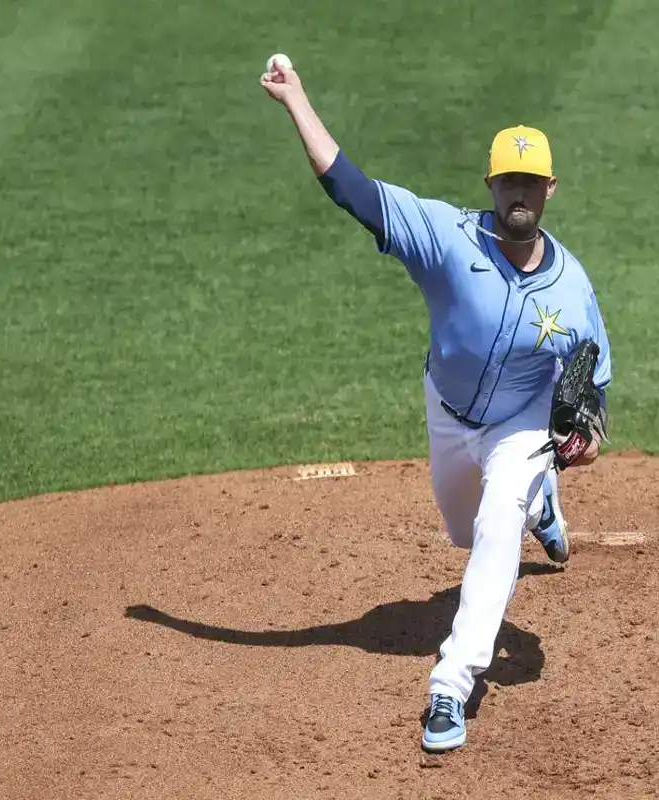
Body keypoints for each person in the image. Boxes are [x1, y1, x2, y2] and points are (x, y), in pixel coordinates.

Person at [261, 59, 612, 753]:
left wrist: (590, 437)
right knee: (461, 526)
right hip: (448, 414)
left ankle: (451, 686)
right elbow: (351, 190)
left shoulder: (574, 289)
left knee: (495, 522)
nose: (520, 194)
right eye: (508, 182)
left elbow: (593, 387)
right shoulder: (448, 239)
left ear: (550, 190)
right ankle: (540, 505)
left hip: (520, 427)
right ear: (492, 186)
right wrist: (297, 99)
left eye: (531, 184)